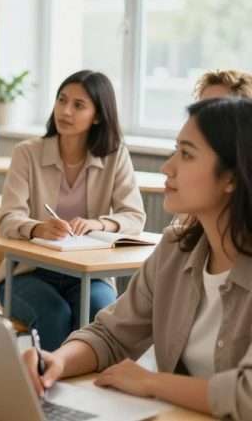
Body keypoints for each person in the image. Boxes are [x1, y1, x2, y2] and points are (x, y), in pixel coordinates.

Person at [22, 97, 252, 419]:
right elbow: (111, 334)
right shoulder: (175, 248)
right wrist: (57, 360)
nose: (167, 167)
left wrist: (152, 383)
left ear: (232, 177)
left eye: (186, 154)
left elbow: (247, 394)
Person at [0, 70, 145, 350]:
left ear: (98, 116)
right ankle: (51, 390)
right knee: (55, 315)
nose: (65, 111)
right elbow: (7, 219)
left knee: (102, 314)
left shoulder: (115, 156)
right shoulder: (27, 153)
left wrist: (97, 224)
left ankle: (92, 391)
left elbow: (134, 216)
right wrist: (38, 228)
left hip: (89, 274)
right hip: (28, 272)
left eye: (79, 105)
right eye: (61, 100)